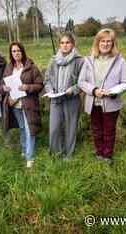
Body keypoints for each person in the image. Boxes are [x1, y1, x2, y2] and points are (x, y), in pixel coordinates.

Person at [78, 28, 126, 165]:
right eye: (103, 41)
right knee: (96, 129)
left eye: (109, 41)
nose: (106, 44)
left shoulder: (120, 61)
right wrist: (94, 90)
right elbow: (81, 81)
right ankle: (99, 153)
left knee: (109, 130)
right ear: (97, 43)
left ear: (113, 43)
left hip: (111, 103)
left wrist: (114, 92)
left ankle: (107, 156)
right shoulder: (88, 60)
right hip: (93, 102)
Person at [0, 42, 43, 168]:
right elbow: (1, 85)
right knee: (22, 128)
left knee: (29, 129)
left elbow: (40, 85)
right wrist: (4, 88)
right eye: (13, 51)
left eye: (18, 50)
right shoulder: (8, 68)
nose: (16, 53)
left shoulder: (31, 67)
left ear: (22, 52)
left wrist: (27, 87)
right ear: (11, 53)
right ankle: (24, 150)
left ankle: (30, 157)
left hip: (28, 104)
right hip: (14, 104)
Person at [44, 32, 84, 160]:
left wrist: (72, 90)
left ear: (73, 44)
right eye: (62, 43)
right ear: (59, 44)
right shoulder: (53, 60)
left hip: (71, 99)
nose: (65, 45)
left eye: (67, 42)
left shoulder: (79, 61)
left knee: (70, 128)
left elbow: (83, 82)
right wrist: (50, 90)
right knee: (54, 128)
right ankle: (56, 153)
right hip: (56, 99)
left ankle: (68, 155)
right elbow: (47, 79)